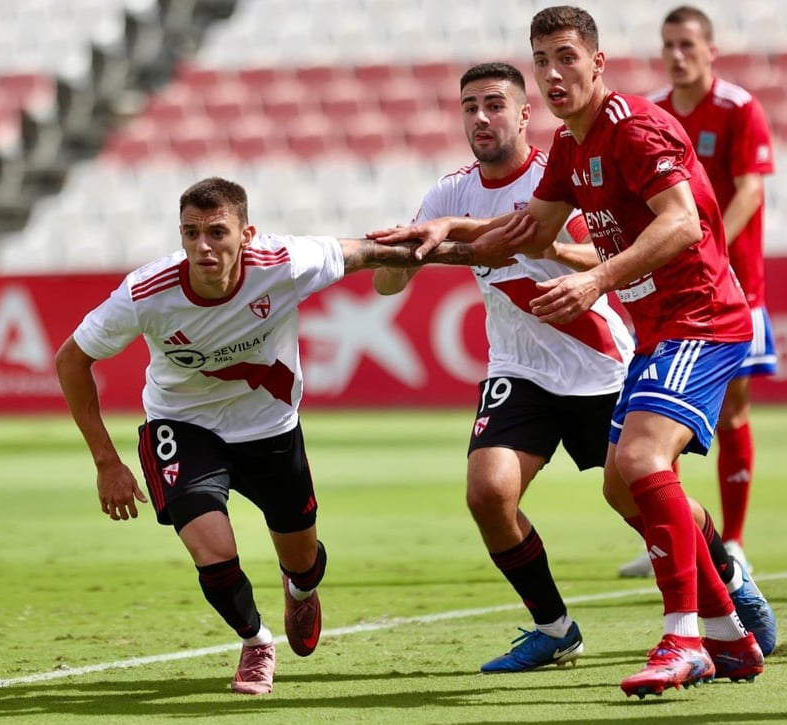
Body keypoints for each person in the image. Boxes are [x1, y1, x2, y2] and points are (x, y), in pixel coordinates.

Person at [369, 6, 768, 697]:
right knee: (617, 482)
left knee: (640, 466)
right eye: (542, 60)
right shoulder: (571, 148)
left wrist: (595, 278)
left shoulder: (635, 128)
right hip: (627, 336)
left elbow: (681, 222)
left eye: (566, 58)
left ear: (597, 63)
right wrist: (438, 229)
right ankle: (726, 637)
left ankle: (688, 635)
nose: (554, 73)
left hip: (696, 318)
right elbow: (523, 232)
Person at [55, 176, 528, 695]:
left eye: (216, 232)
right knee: (211, 550)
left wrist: (476, 252)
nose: (202, 247)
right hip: (183, 425)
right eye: (190, 233)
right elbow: (72, 359)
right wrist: (106, 461)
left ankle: (300, 588)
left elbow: (372, 253)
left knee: (302, 559)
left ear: (247, 234)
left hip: (270, 428)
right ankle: (256, 642)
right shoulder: (147, 292)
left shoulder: (284, 262)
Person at [373, 61, 634, 674]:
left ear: (524, 113)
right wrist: (407, 256)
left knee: (637, 500)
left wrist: (539, 244)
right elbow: (388, 285)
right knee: (489, 493)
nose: (480, 117)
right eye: (469, 106)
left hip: (598, 364)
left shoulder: (558, 177)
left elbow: (610, 255)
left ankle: (727, 582)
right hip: (518, 368)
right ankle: (554, 627)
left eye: (494, 104)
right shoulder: (450, 192)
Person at [618, 4, 777, 579]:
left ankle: (731, 540)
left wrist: (713, 251)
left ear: (711, 50)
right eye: (668, 45)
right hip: (672, 294)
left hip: (734, 285)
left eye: (687, 44)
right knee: (662, 416)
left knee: (733, 407)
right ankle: (672, 530)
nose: (677, 55)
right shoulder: (653, 113)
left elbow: (749, 192)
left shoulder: (739, 108)